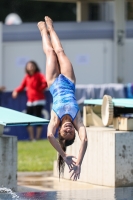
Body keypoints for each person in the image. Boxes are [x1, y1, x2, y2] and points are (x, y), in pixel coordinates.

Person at [37, 16, 88, 181]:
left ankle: (43, 32)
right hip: (68, 81)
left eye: (65, 133)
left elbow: (49, 136)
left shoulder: (54, 121)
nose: (68, 129)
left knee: (50, 52)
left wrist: (64, 155)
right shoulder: (77, 120)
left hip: (53, 83)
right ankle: (51, 29)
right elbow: (85, 139)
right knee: (60, 51)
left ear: (59, 131)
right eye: (71, 132)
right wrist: (78, 162)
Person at [12, 61, 47, 141]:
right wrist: (16, 91)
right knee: (28, 119)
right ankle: (31, 137)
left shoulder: (39, 75)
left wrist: (40, 89)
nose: (31, 67)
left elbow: (45, 82)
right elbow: (22, 86)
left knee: (38, 118)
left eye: (32, 65)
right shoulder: (27, 77)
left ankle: (38, 138)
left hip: (39, 100)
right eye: (29, 66)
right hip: (30, 101)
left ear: (35, 66)